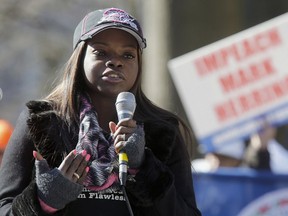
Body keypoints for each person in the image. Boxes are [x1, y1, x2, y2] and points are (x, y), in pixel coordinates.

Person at [0, 7, 201, 216]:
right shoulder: (40, 122)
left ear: (139, 64)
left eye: (128, 54)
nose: (116, 61)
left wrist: (143, 167)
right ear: (79, 58)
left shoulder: (163, 130)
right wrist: (43, 201)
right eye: (101, 52)